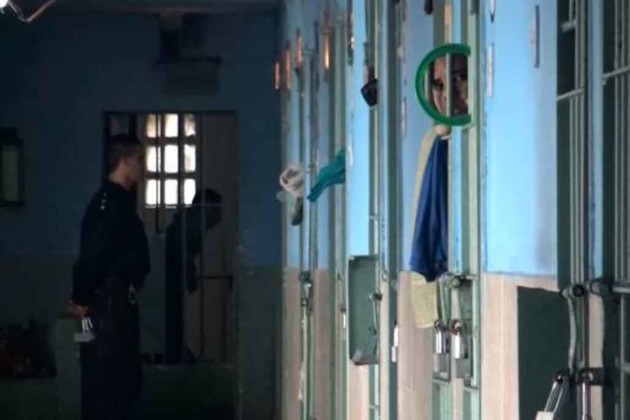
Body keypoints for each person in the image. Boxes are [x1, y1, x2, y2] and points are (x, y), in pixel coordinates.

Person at [70, 133, 150, 419]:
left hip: (113, 306)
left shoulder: (118, 202)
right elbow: (93, 256)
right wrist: (81, 299)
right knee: (108, 381)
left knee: (119, 380)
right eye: (139, 159)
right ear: (125, 161)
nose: (143, 166)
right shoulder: (109, 204)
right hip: (107, 308)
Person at [164, 188, 222, 364]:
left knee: (173, 321)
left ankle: (177, 355)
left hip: (170, 280)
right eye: (216, 210)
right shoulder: (190, 226)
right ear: (206, 208)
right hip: (170, 280)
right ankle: (176, 357)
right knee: (172, 320)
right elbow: (185, 254)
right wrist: (190, 277)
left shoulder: (185, 222)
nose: (219, 216)